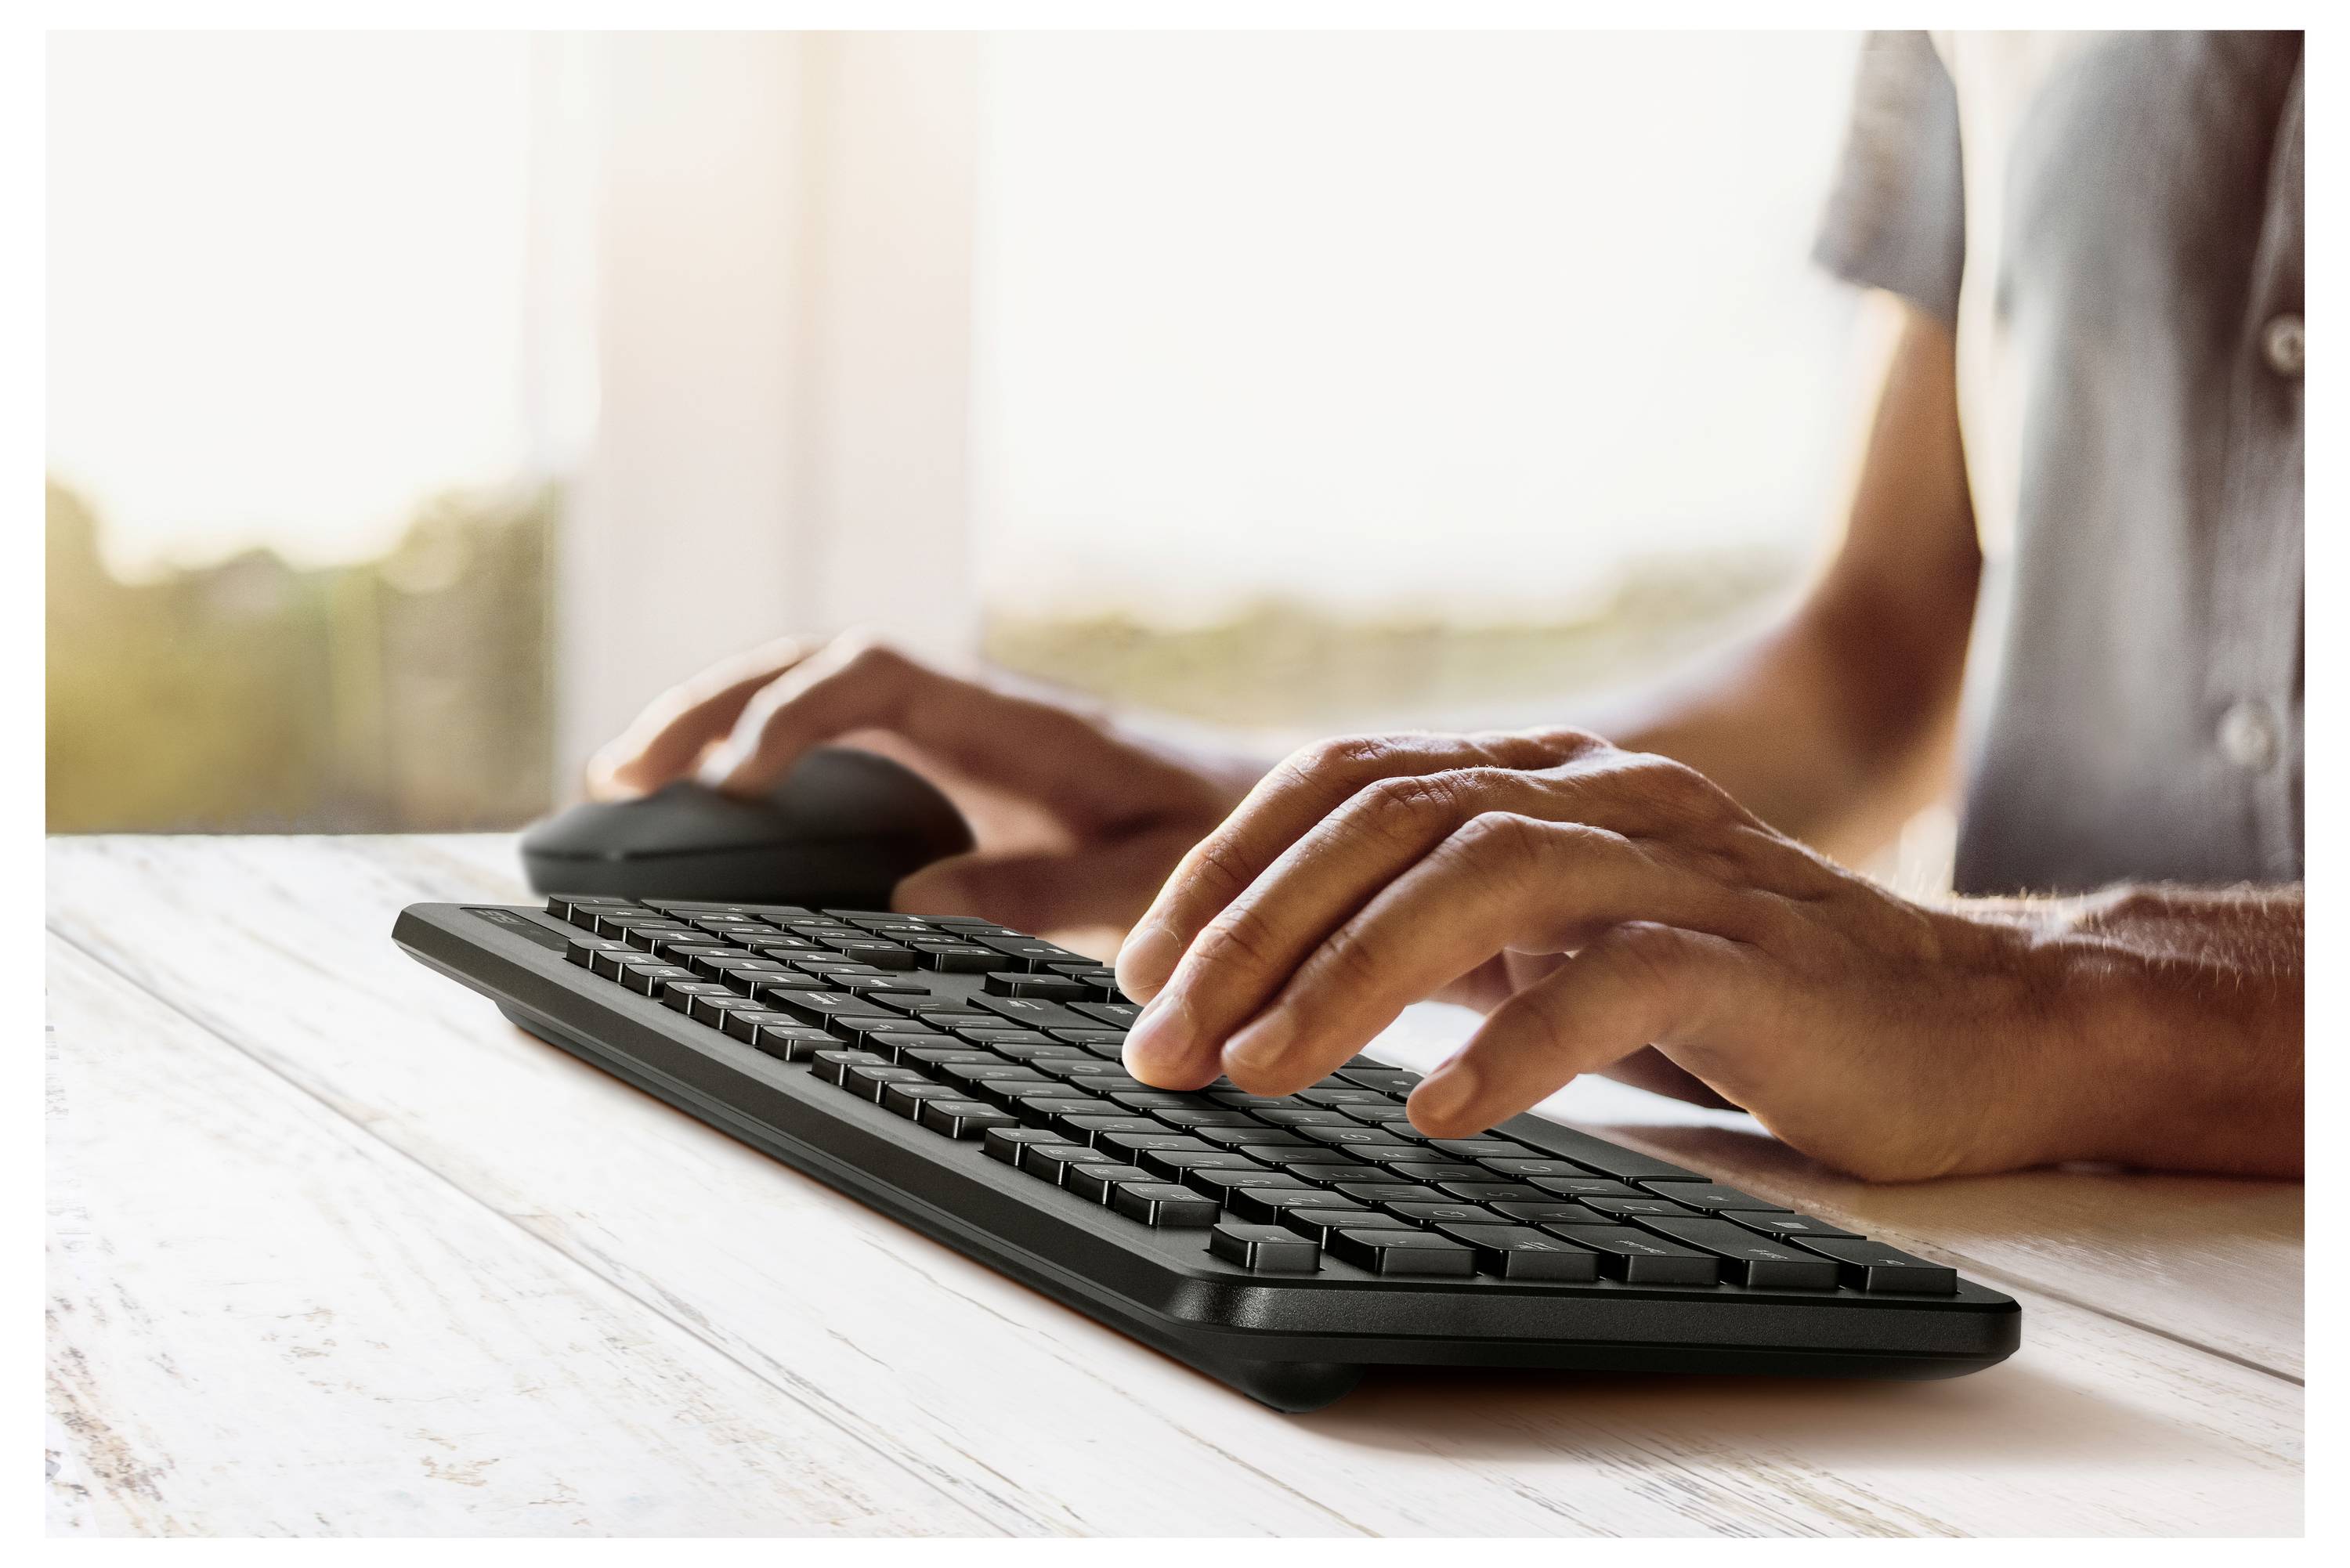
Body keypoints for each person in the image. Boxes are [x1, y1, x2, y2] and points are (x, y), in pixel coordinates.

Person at [588, 31, 2303, 1183]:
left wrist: (2036, 996)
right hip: (2043, 1243)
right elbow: (1881, 657)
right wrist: (1304, 816)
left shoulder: (2024, 1003)